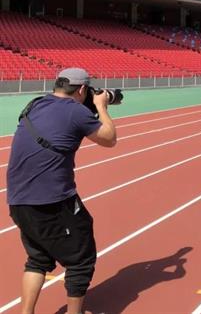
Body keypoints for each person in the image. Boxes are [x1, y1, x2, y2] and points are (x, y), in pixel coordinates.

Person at [6, 68, 117, 314]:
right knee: (81, 260)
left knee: (38, 259)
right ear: (82, 89)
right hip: (52, 202)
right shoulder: (76, 111)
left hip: (18, 200)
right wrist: (102, 106)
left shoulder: (35, 105)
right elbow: (110, 138)